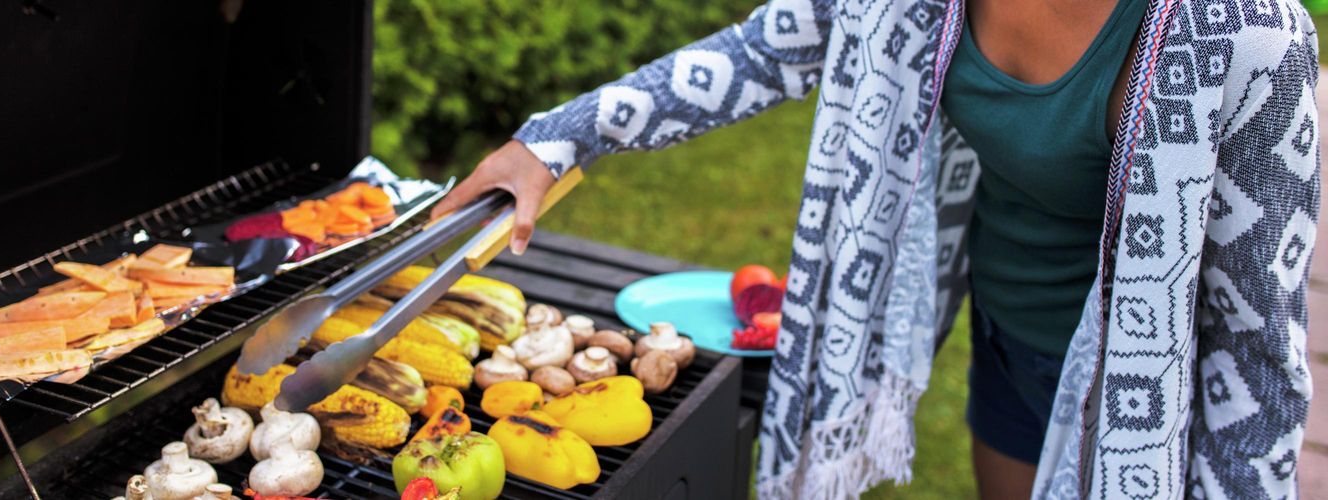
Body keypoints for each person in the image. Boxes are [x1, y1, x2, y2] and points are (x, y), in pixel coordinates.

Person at [431, 0, 1318, 497]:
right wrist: (557, 140)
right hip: (1007, 347)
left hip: (1152, 399)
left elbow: (1260, 349)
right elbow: (753, 54)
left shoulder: (1246, 40)